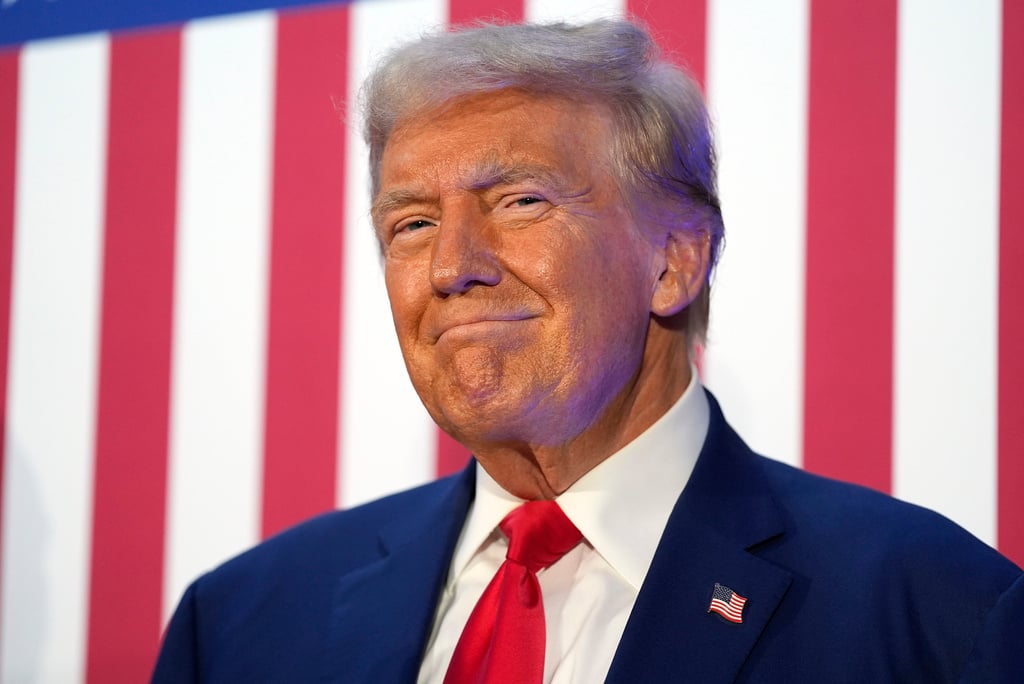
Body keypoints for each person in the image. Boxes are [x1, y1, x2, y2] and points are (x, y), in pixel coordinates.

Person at [152, 19, 1023, 683]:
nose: (453, 267)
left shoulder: (941, 617)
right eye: (412, 223)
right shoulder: (240, 626)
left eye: (521, 202)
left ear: (674, 260)